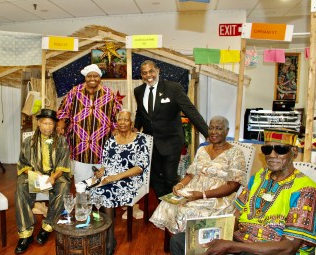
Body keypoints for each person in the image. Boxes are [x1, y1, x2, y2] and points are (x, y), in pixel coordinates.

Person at [172, 129, 316, 255]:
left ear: (294, 152)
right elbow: (237, 214)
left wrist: (232, 246)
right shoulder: (259, 177)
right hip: (241, 241)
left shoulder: (305, 189)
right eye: (267, 150)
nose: (272, 155)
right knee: (180, 242)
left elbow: (289, 247)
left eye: (281, 149)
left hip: (269, 250)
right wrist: (217, 236)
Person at [150, 116, 247, 234]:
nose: (214, 132)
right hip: (195, 190)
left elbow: (233, 186)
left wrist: (202, 195)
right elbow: (191, 175)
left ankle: (190, 244)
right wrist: (180, 185)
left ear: (227, 131)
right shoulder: (202, 150)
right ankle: (179, 241)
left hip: (218, 197)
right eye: (211, 128)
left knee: (185, 211)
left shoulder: (236, 153)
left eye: (219, 128)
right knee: (168, 203)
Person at [134, 60, 209, 198]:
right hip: (150, 142)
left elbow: (190, 110)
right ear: (141, 75)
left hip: (171, 141)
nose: (148, 75)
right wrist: (135, 128)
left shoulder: (173, 88)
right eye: (144, 73)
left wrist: (207, 133)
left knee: (169, 177)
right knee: (156, 178)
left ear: (158, 71)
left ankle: (171, 206)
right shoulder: (138, 91)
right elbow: (140, 113)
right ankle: (161, 205)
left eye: (151, 71)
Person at [91, 109, 150, 255]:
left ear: (131, 123)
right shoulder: (111, 140)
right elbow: (106, 163)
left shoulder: (140, 140)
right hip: (110, 177)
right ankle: (98, 232)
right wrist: (101, 172)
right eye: (120, 119)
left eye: (126, 120)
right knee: (90, 189)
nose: (122, 122)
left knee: (105, 193)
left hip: (131, 179)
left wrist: (115, 177)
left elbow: (140, 167)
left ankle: (110, 238)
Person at [14, 109, 71, 254]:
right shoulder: (29, 141)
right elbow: (23, 163)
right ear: (38, 124)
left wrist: (52, 178)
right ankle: (26, 234)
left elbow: (63, 165)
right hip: (35, 175)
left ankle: (47, 227)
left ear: (54, 125)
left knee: (64, 185)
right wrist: (34, 174)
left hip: (54, 176)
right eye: (44, 123)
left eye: (50, 123)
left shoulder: (62, 140)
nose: (47, 127)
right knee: (21, 185)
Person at [57, 64, 122, 183]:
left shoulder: (109, 94)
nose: (92, 79)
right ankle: (83, 200)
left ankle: (98, 200)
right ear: (85, 77)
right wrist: (61, 124)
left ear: (100, 78)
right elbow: (63, 111)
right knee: (81, 179)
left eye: (95, 76)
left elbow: (117, 115)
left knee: (100, 180)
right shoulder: (75, 92)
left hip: (101, 144)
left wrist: (116, 129)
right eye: (89, 76)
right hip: (79, 143)